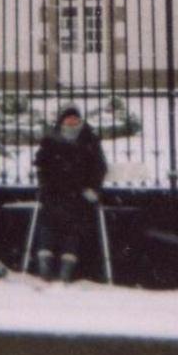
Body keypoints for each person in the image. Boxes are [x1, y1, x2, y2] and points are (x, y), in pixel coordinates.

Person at [31, 105, 107, 282]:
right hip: (54, 191)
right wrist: (45, 185)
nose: (72, 122)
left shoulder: (89, 139)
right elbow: (42, 166)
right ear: (62, 121)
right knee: (48, 221)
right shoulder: (50, 140)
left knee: (73, 223)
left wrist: (92, 188)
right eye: (68, 118)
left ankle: (67, 267)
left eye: (75, 119)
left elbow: (98, 167)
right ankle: (45, 263)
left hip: (78, 193)